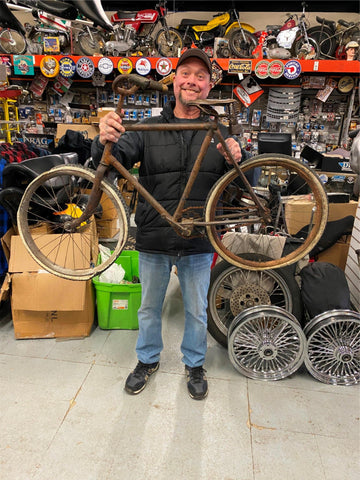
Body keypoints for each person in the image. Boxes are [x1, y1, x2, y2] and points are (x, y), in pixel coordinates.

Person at [91, 48, 243, 400]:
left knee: (195, 311)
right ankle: (147, 360)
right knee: (148, 308)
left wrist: (239, 158)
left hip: (198, 239)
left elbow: (238, 189)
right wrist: (105, 139)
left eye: (201, 76)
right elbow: (111, 162)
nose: (192, 80)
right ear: (174, 81)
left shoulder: (218, 132)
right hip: (154, 236)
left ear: (208, 87)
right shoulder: (146, 128)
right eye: (186, 73)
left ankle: (194, 363)